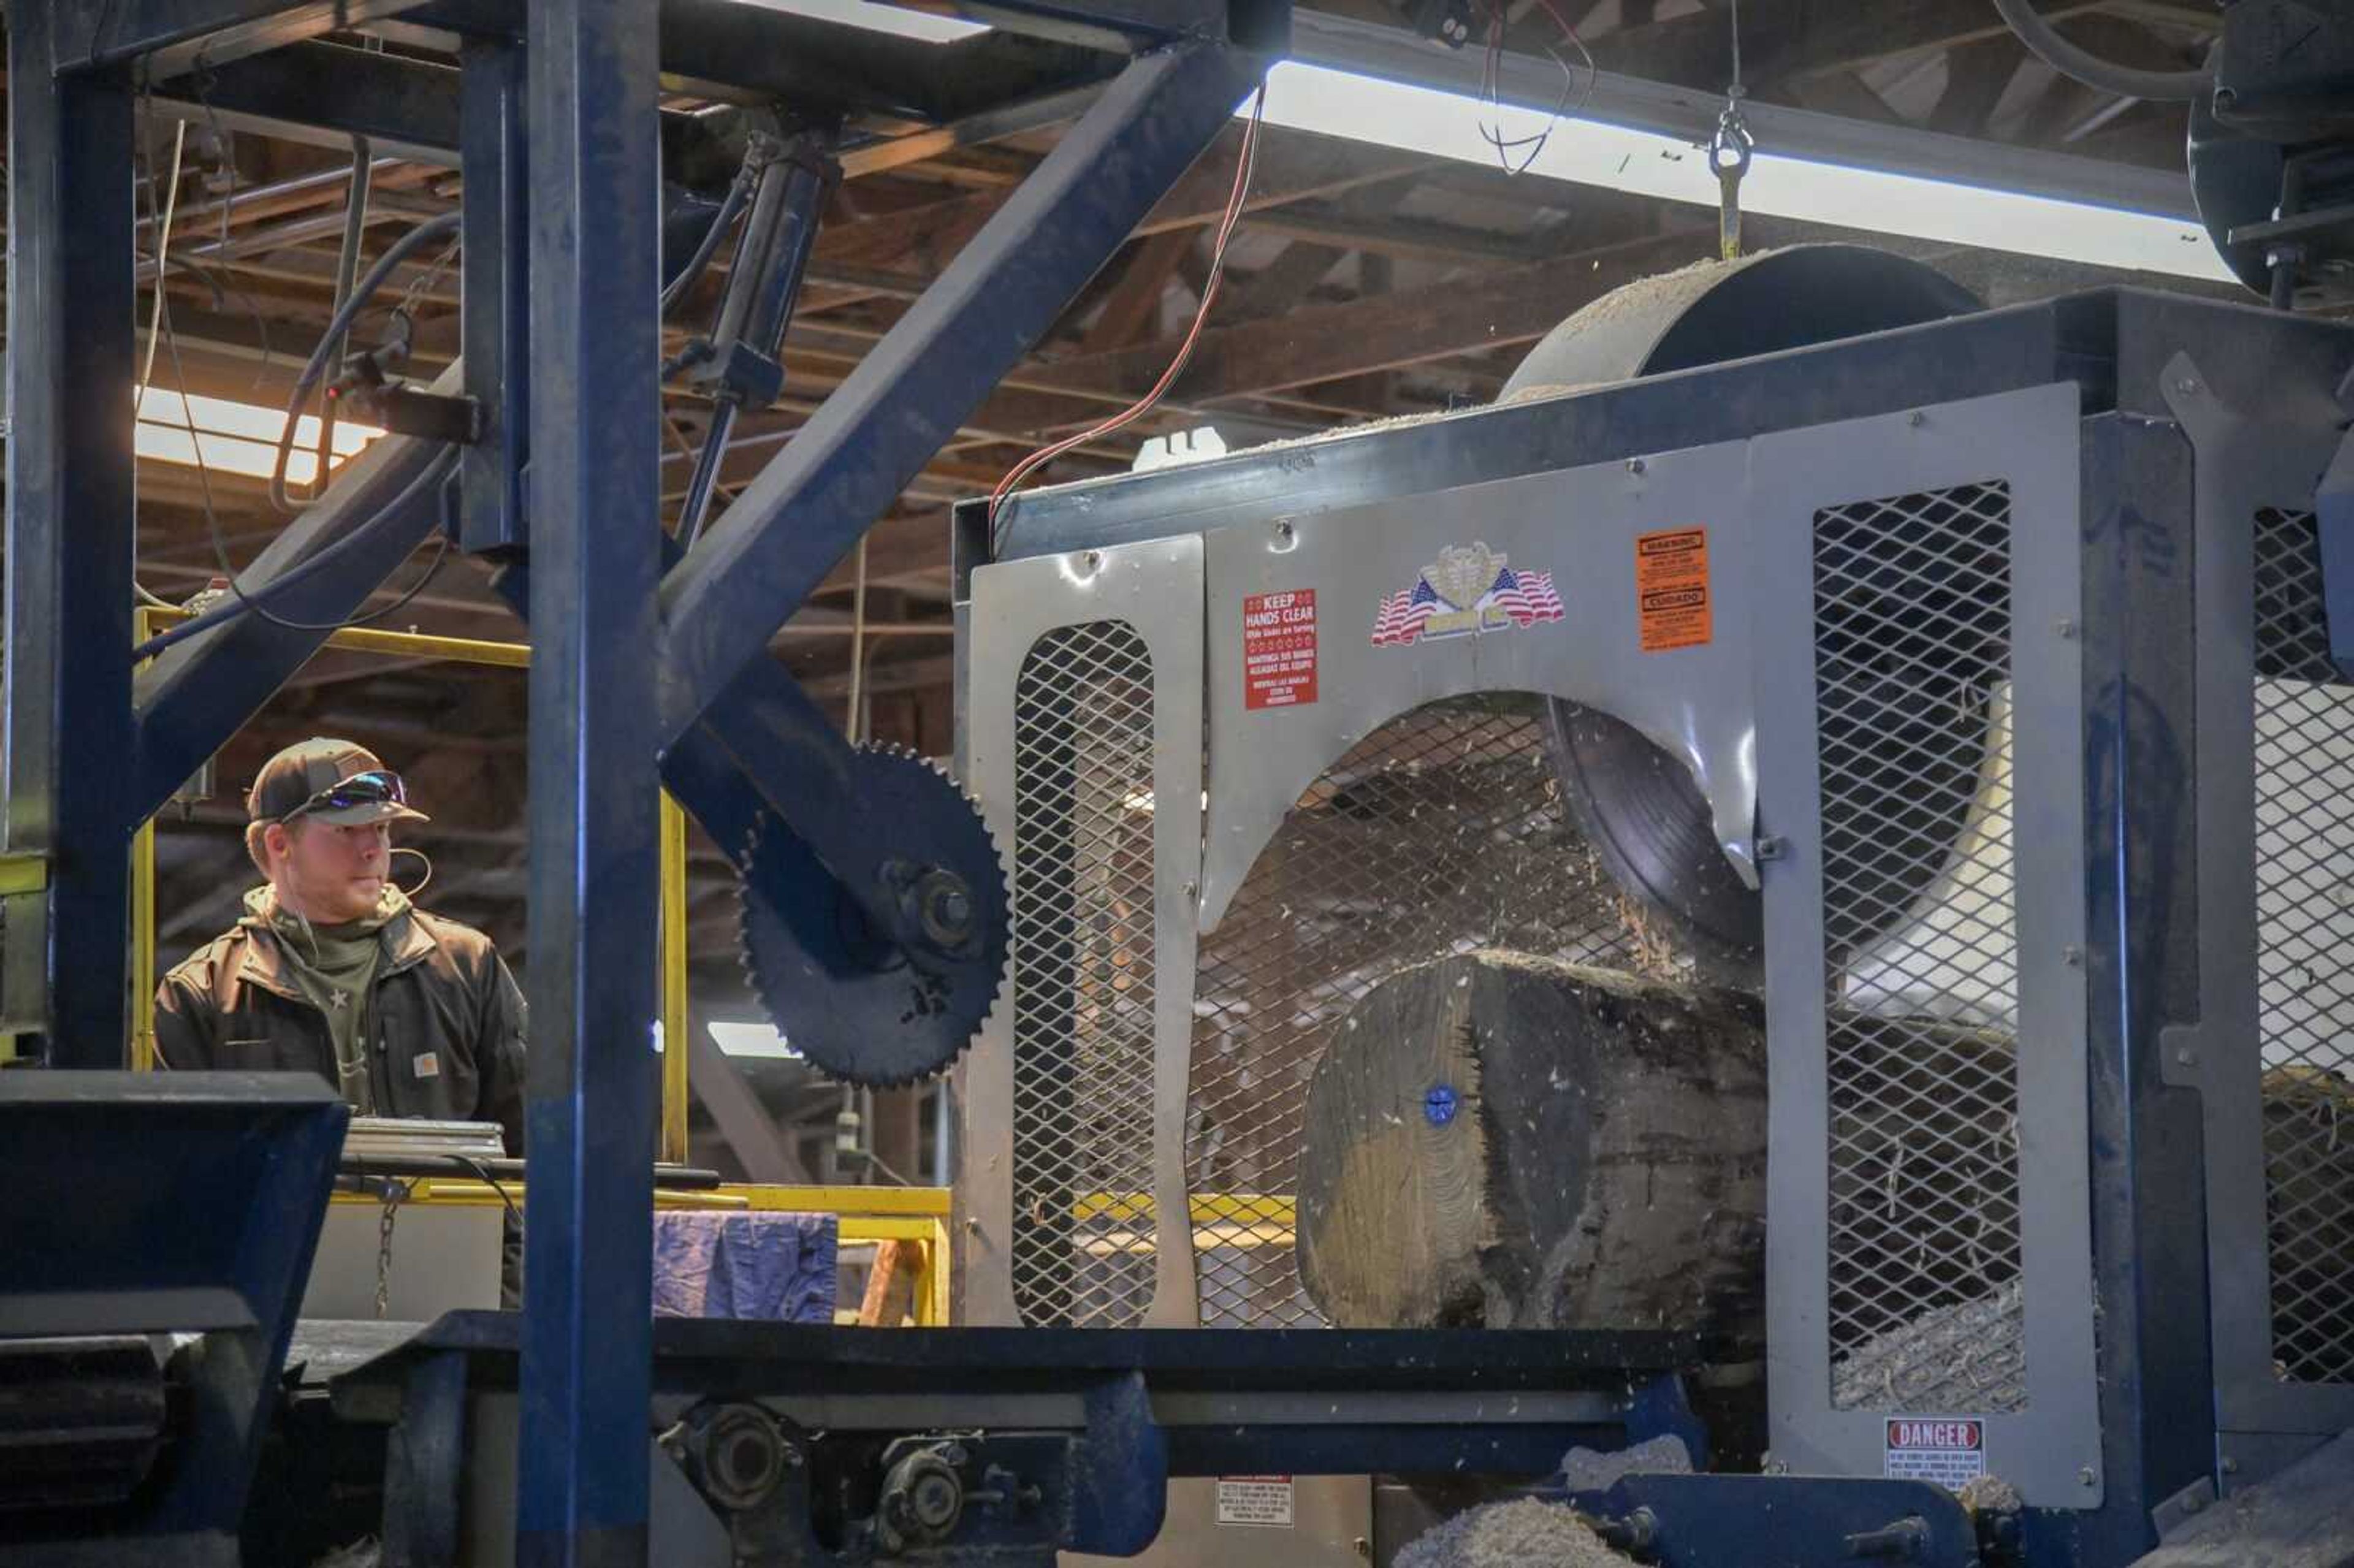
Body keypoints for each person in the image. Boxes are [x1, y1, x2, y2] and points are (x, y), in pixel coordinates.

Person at [154, 737, 526, 1155]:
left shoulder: (468, 967)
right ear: (280, 844)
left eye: (382, 829)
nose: (373, 850)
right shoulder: (200, 994)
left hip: (441, 1223)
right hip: (288, 1224)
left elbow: (530, 1141)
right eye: (347, 830)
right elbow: (179, 1161)